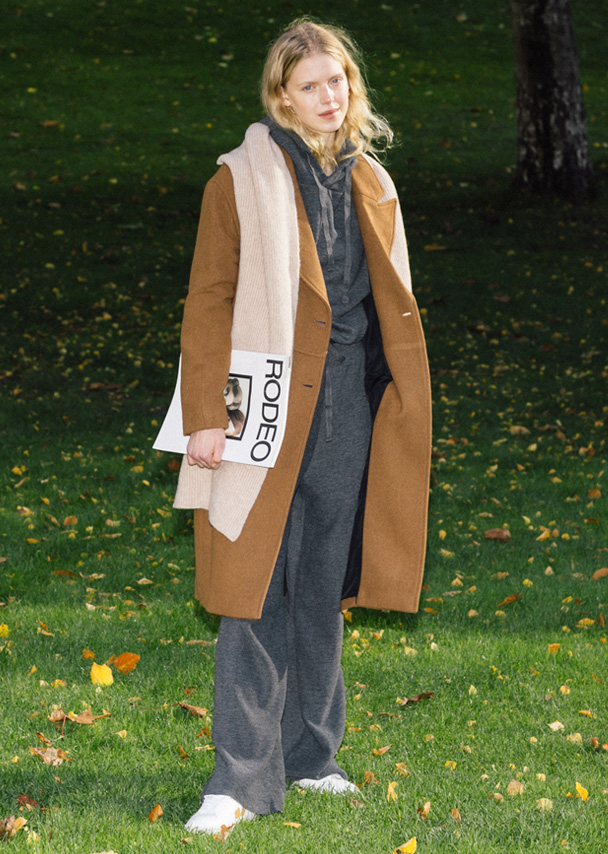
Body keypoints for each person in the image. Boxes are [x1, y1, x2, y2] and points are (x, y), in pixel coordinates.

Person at [176, 17, 432, 835]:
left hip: (350, 406)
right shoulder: (238, 180)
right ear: (281, 96)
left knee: (322, 586)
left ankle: (313, 756)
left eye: (338, 81)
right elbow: (209, 301)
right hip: (264, 406)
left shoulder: (372, 182)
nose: (330, 97)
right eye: (311, 85)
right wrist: (207, 418)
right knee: (252, 586)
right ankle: (237, 780)